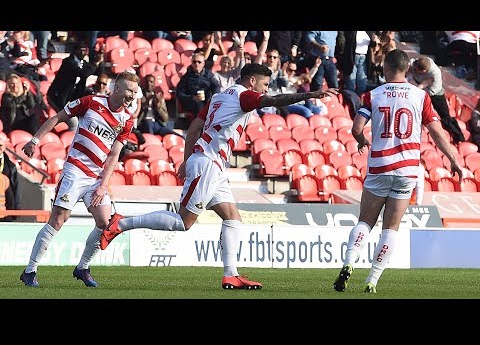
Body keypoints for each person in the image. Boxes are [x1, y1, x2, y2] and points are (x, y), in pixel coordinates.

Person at [100, 63, 338, 290]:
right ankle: (120, 223)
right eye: (265, 84)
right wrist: (311, 94)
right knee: (184, 222)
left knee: (232, 216)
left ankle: (231, 274)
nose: (266, 89)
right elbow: (275, 100)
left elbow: (195, 127)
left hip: (212, 163)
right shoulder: (245, 95)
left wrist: (186, 158)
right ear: (252, 81)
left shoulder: (219, 97)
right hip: (208, 165)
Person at [333, 49, 462, 294]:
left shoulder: (373, 95)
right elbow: (436, 131)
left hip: (380, 165)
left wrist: (361, 139)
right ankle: (372, 280)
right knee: (391, 228)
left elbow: (356, 127)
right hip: (406, 169)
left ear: (386, 67)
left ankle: (349, 262)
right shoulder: (420, 96)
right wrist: (453, 159)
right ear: (408, 69)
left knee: (365, 221)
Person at [19, 70, 139, 287]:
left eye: (135, 92)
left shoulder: (127, 120)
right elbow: (57, 118)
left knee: (105, 223)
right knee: (58, 220)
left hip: (95, 179)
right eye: (129, 90)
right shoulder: (91, 102)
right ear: (117, 89)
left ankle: (82, 267)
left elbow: (114, 154)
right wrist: (35, 141)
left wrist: (104, 184)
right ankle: (30, 271)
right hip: (75, 171)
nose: (132, 95)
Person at [407, 56, 465, 144]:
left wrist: (420, 88)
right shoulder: (413, 64)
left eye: (421, 73)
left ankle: (458, 137)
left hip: (435, 95)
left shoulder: (435, 73)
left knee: (445, 118)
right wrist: (420, 85)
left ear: (425, 71)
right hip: (419, 90)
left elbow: (432, 91)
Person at [0, 138, 21, 222]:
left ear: (5, 147)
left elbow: (15, 188)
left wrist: (16, 209)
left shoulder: (11, 167)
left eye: (0, 146)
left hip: (6, 209)